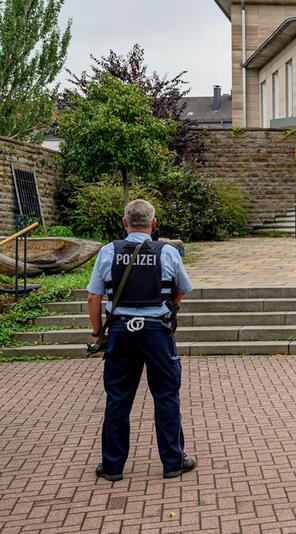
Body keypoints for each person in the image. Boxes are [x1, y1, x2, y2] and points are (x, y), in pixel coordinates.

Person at [87, 199, 195, 482]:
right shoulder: (168, 252)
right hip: (156, 332)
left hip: (121, 332)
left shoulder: (109, 251)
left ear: (125, 223)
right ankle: (173, 461)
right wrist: (171, 307)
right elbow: (183, 288)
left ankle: (112, 466)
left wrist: (98, 332)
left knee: (118, 398)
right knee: (166, 395)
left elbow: (93, 296)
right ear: (154, 224)